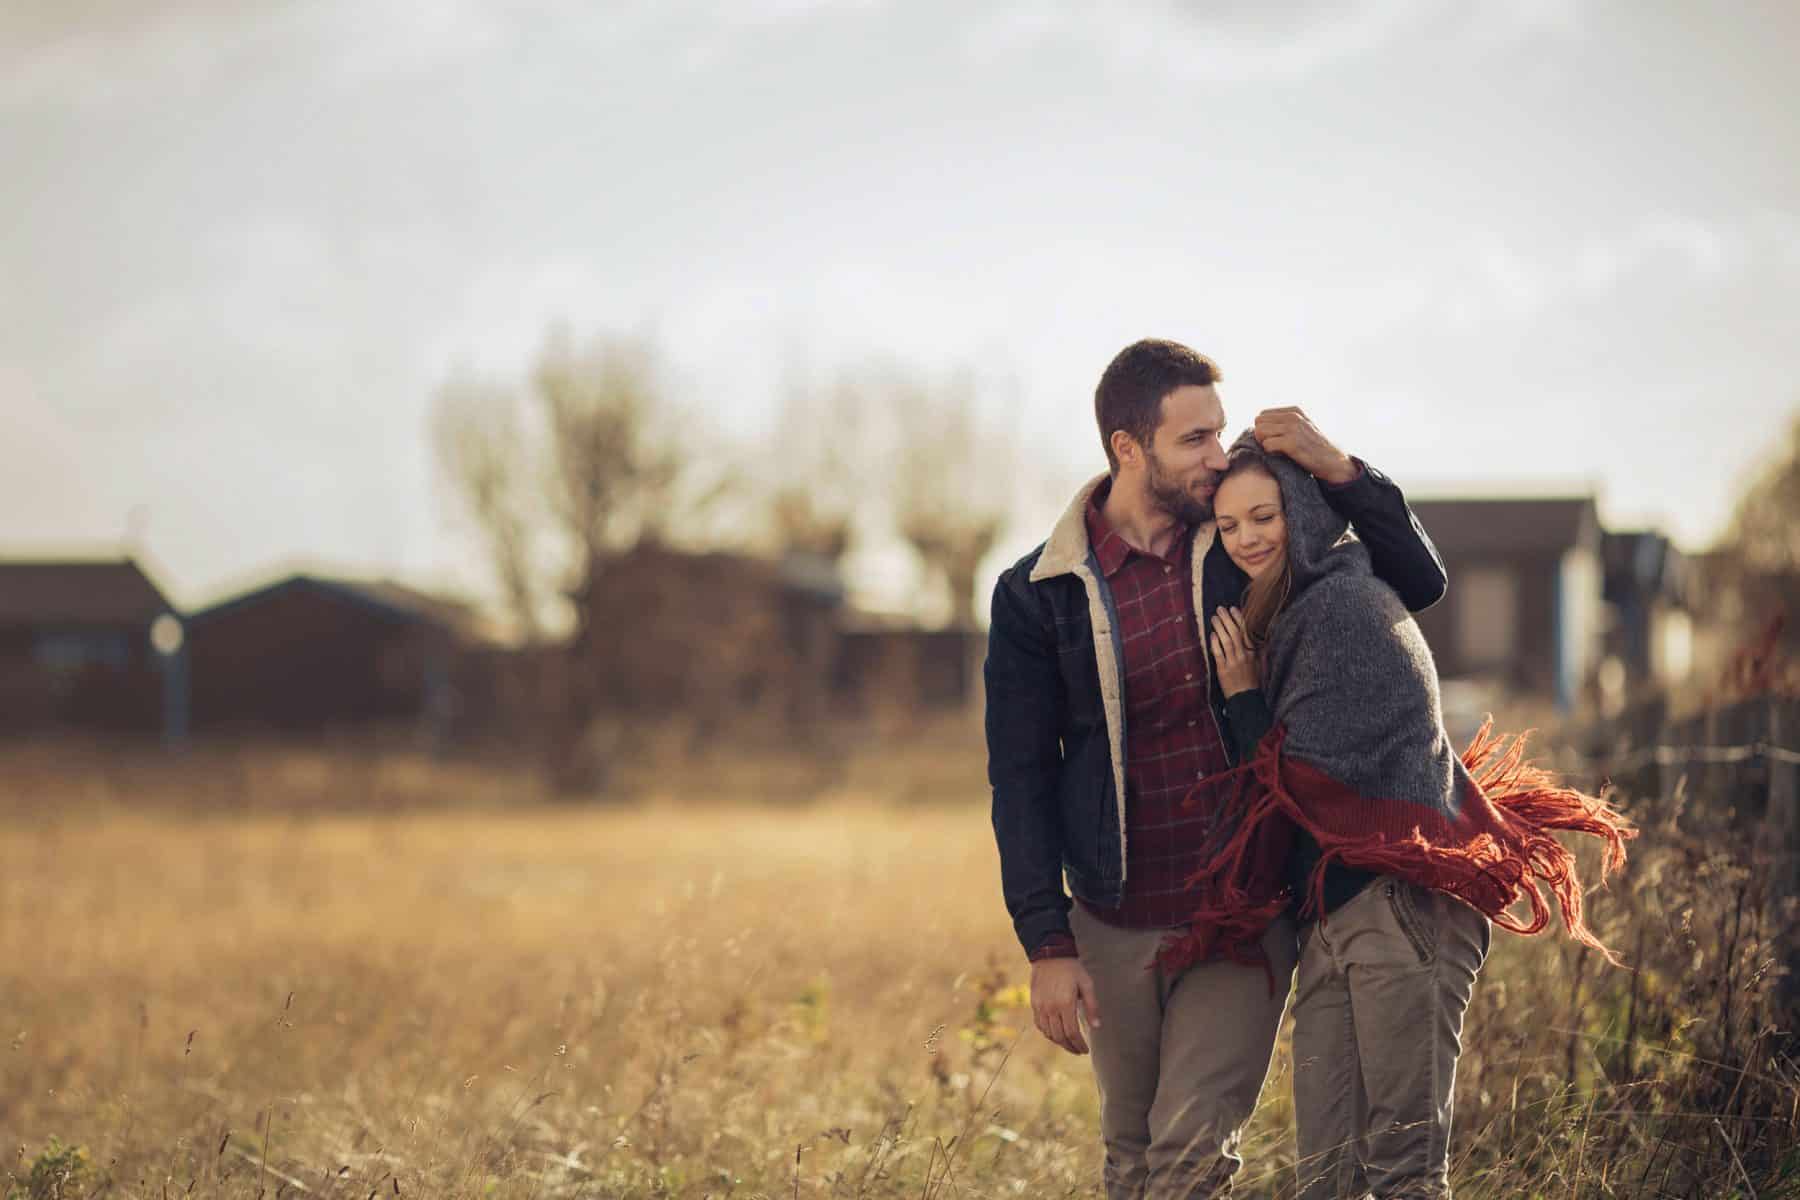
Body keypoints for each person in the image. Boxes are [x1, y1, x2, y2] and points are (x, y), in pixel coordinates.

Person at [984, 338, 1448, 1198]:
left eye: (1220, 432)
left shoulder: (1238, 541)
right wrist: (1047, 941)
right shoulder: (1036, 593)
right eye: (1195, 439)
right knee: (1131, 1160)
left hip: (1238, 915)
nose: (1219, 456)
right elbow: (1020, 777)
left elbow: (1416, 575)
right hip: (1114, 918)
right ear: (1129, 448)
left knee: (1192, 1160)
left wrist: (1336, 464)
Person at [1196, 438, 1633, 1199]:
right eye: (1228, 527)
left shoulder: (1342, 610)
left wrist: (1240, 697)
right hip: (1335, 913)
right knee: (1325, 1179)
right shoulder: (1290, 616)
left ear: (1300, 513)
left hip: (1402, 907)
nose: (1247, 539)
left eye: (1263, 516)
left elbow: (1301, 780)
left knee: (1404, 1174)